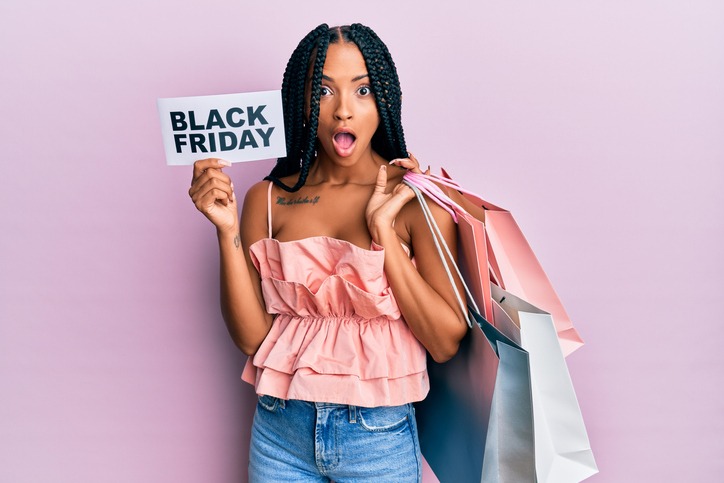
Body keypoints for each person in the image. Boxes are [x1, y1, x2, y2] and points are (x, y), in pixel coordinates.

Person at [188, 23, 467, 482]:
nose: (343, 111)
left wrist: (383, 232)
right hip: (280, 430)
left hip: (377, 435)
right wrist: (225, 231)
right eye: (322, 91)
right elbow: (253, 340)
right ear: (301, 101)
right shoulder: (268, 200)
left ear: (385, 99)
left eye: (362, 90)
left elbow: (444, 342)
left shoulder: (414, 200)